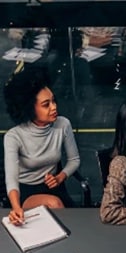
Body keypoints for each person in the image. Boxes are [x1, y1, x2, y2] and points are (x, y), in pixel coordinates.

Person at [3, 69, 80, 225]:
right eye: (46, 105)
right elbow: (11, 179)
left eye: (53, 100)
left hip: (55, 187)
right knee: (56, 206)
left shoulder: (63, 124)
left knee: (72, 221)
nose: (54, 107)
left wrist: (60, 177)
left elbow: (74, 160)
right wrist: (16, 207)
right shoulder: (13, 136)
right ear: (30, 108)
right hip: (26, 191)